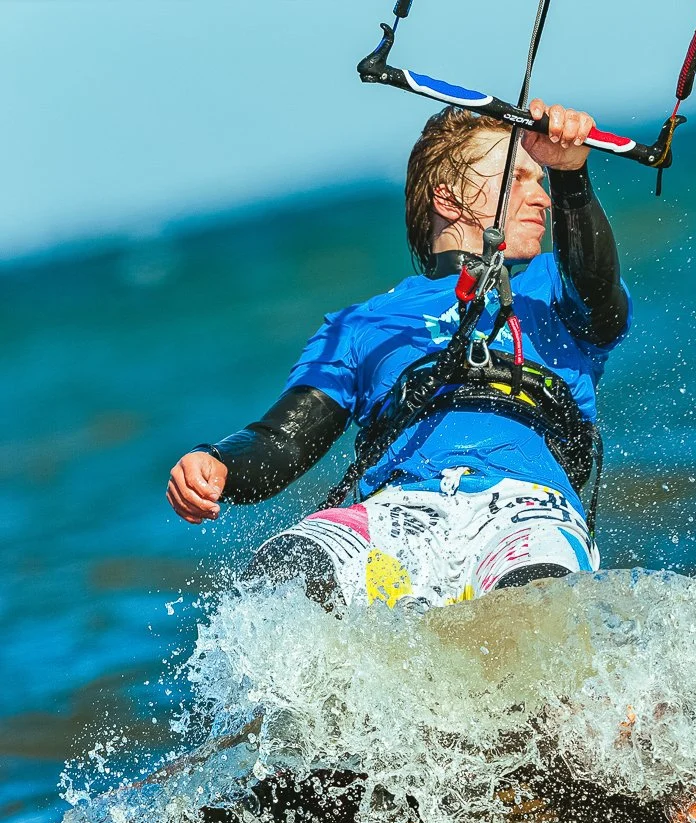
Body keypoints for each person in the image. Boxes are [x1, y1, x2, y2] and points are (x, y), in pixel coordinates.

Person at [165, 99, 627, 608]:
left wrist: (572, 177)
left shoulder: (556, 288)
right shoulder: (362, 325)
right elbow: (284, 441)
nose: (540, 198)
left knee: (534, 607)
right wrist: (218, 463)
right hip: (399, 514)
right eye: (518, 178)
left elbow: (601, 300)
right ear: (448, 199)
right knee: (282, 575)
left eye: (543, 181)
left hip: (524, 510)